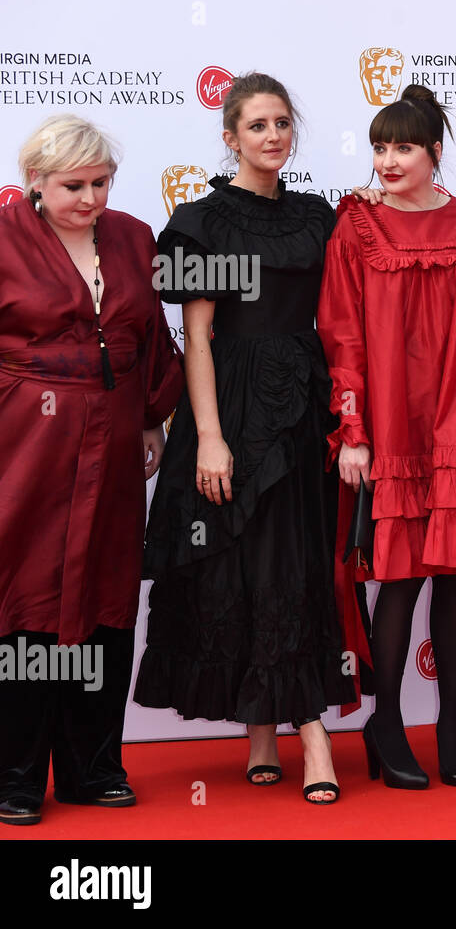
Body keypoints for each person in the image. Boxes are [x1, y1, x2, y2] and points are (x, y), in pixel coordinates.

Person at [133, 74, 353, 804]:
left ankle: (286, 727)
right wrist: (211, 439)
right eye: (256, 125)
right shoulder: (201, 221)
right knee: (237, 566)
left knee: (293, 565)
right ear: (230, 137)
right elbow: (195, 337)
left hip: (302, 408)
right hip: (225, 407)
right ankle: (291, 730)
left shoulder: (318, 217)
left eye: (282, 123)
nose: (272, 136)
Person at [318, 84, 456, 789]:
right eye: (380, 146)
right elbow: (340, 332)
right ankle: (388, 722)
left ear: (435, 151)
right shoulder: (357, 226)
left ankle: (450, 722)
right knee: (399, 579)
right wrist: (354, 430)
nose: (389, 160)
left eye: (403, 146)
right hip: (391, 422)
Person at [0, 115, 184, 825]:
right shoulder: (7, 237)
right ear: (35, 184)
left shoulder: (135, 237)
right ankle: (15, 775)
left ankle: (93, 766)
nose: (90, 198)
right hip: (27, 444)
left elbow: (149, 339)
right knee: (26, 597)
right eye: (73, 186)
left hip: (111, 443)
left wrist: (150, 417)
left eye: (101, 183)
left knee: (107, 595)